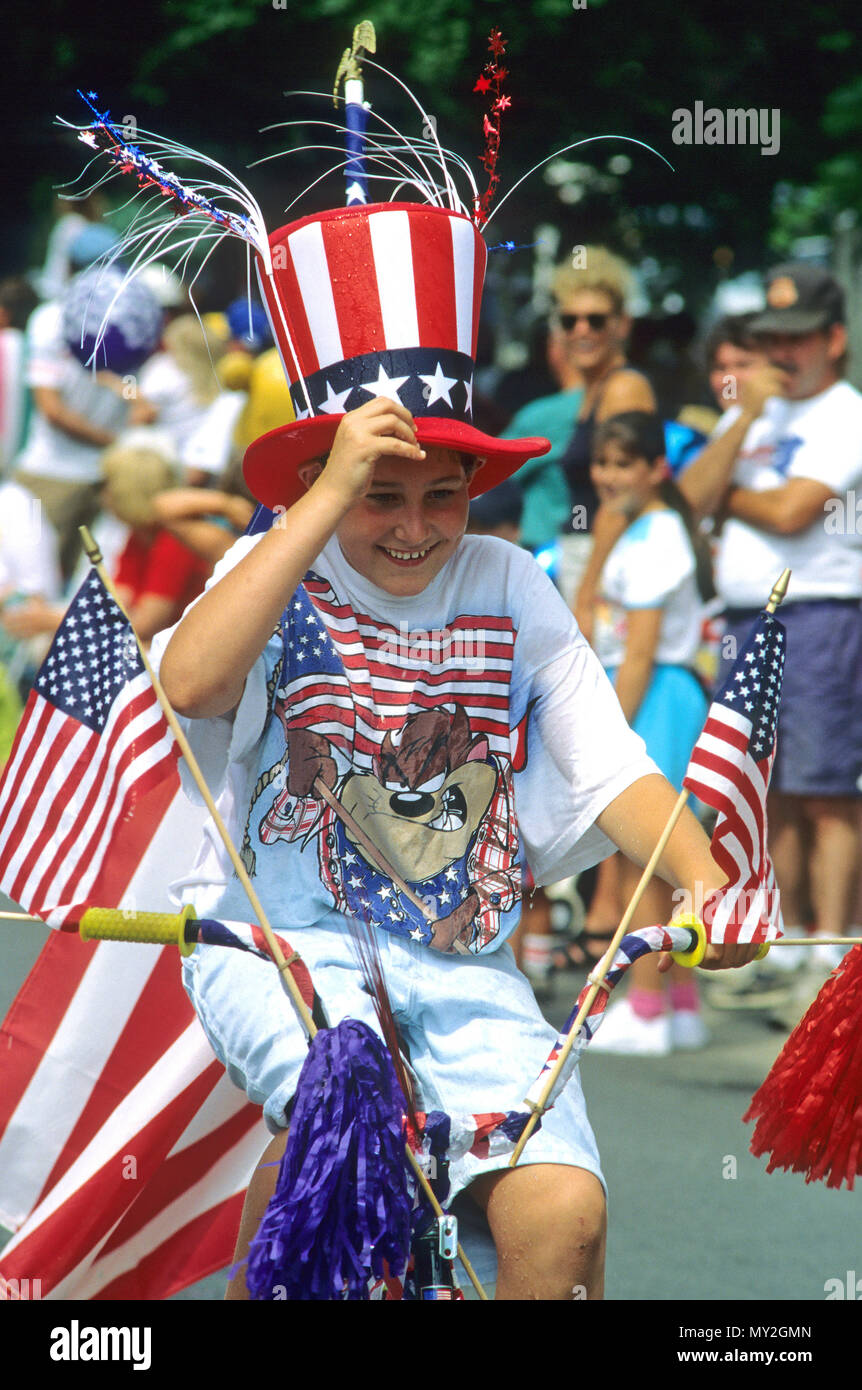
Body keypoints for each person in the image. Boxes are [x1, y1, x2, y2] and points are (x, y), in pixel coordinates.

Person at [677, 263, 862, 1021]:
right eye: (769, 340)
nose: (781, 354)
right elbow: (686, 499)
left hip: (822, 613)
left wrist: (728, 493)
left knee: (825, 789)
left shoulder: (846, 413)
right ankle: (780, 942)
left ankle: (831, 947)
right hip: (748, 617)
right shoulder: (752, 411)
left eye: (796, 340)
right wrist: (746, 422)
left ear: (833, 340)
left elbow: (793, 511)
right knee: (767, 790)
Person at [581, 411, 714, 1054]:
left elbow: (639, 651)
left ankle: (646, 1004)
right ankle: (679, 1004)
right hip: (653, 689)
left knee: (649, 851)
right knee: (659, 854)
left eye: (623, 463)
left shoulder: (660, 535)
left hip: (656, 692)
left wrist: (609, 730)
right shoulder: (638, 529)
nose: (607, 476)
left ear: (656, 469)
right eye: (602, 462)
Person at [551, 248, 657, 614]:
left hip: (609, 562)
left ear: (622, 325)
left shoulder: (623, 388)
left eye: (596, 320)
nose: (582, 330)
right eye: (569, 321)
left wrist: (586, 593)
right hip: (587, 555)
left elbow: (622, 498)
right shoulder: (591, 392)